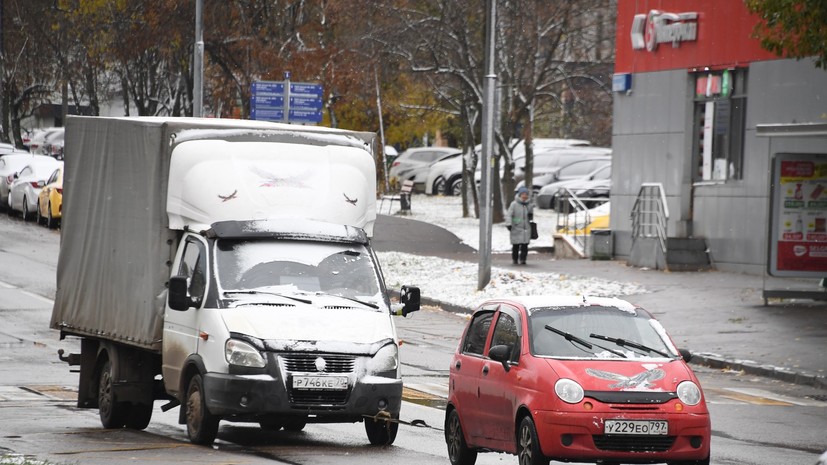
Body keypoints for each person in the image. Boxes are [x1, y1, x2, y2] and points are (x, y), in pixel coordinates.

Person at [507, 186, 534, 265]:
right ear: (519, 195)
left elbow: (531, 216)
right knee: (516, 245)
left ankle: (523, 259)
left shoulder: (529, 204)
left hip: (526, 228)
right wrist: (509, 224)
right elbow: (509, 215)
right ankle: (515, 259)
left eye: (526, 194)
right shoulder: (514, 204)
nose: (524, 196)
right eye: (523, 194)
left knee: (525, 245)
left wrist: (530, 215)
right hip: (516, 227)